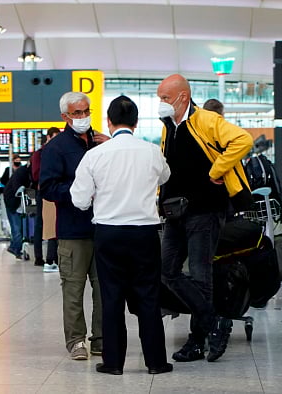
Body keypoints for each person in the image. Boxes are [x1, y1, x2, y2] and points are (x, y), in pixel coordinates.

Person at [70, 95, 172, 375]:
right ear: (136, 122)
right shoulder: (151, 151)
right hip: (145, 233)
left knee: (111, 297)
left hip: (109, 233)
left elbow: (78, 199)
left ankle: (113, 363)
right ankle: (155, 362)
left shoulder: (95, 155)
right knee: (149, 297)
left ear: (109, 122)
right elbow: (165, 177)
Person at [157, 74, 253, 363]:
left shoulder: (206, 120)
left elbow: (242, 140)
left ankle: (196, 342)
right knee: (167, 271)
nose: (160, 103)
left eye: (165, 98)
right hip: (175, 213)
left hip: (205, 211)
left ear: (182, 97)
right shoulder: (168, 127)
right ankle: (215, 322)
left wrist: (216, 171)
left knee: (201, 275)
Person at [40, 91, 109, 360]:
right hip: (72, 230)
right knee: (73, 287)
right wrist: (81, 191)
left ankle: (101, 339)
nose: (83, 117)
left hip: (103, 226)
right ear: (65, 116)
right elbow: (47, 188)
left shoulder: (101, 143)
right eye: (77, 113)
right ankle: (76, 340)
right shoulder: (55, 149)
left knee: (104, 288)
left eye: (86, 111)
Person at [30, 127, 60, 271]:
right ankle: (39, 257)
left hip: (53, 191)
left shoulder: (56, 153)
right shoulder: (39, 154)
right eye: (53, 137)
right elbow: (36, 175)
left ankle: (52, 257)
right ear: (47, 137)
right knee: (41, 224)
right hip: (42, 192)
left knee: (51, 224)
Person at [2, 157, 30, 259]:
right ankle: (15, 248)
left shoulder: (23, 172)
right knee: (16, 227)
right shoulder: (22, 172)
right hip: (12, 202)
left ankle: (15, 247)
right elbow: (16, 186)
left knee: (18, 227)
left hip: (16, 202)